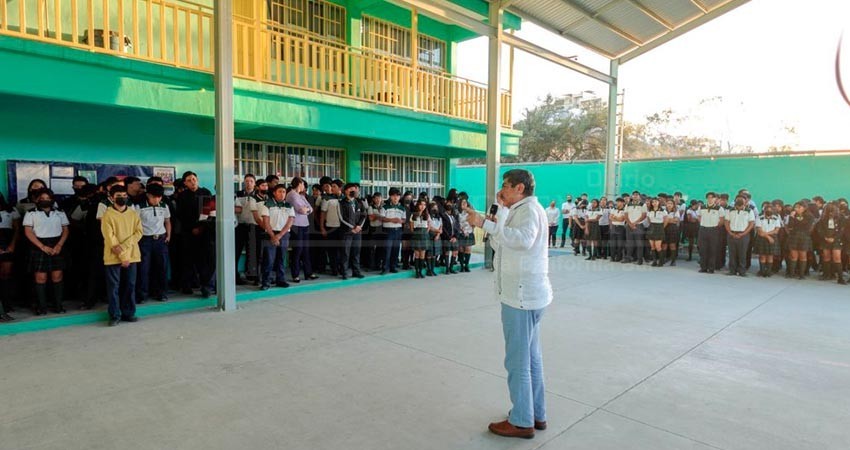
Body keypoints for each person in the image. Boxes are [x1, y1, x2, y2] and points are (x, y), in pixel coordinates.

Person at [463, 169, 552, 440]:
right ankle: (536, 413)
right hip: (527, 295)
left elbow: (521, 241)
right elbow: (501, 238)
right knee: (531, 359)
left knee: (517, 361)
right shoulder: (517, 209)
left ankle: (522, 421)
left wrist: (484, 223)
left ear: (520, 189)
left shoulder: (528, 211)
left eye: (506, 186)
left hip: (521, 297)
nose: (501, 190)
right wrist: (492, 217)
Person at [100, 185, 143, 326]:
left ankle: (128, 313)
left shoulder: (133, 213)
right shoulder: (107, 215)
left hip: (132, 256)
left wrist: (124, 248)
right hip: (113, 257)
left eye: (124, 195)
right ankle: (114, 315)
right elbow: (110, 238)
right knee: (114, 287)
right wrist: (123, 256)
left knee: (130, 285)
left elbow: (139, 232)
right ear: (111, 197)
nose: (122, 198)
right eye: (118, 195)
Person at [23, 188, 70, 315]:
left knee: (57, 276)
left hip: (57, 244)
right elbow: (28, 231)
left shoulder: (60, 212)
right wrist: (42, 246)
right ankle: (41, 307)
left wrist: (59, 245)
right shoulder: (31, 213)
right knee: (40, 277)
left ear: (52, 199)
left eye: (47, 198)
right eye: (42, 199)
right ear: (36, 199)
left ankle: (58, 305)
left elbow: (65, 230)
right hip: (38, 245)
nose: (45, 201)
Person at [176, 171, 214, 297]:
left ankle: (205, 287)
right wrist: (192, 227)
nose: (192, 182)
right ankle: (187, 285)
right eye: (189, 180)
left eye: (193, 179)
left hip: (204, 232)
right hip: (188, 232)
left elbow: (208, 211)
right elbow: (181, 215)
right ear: (185, 183)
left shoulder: (206, 193)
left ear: (197, 179)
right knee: (187, 259)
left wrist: (200, 227)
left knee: (205, 261)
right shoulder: (182, 196)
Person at [135, 183, 171, 303]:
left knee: (162, 267)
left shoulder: (164, 206)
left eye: (159, 197)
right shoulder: (139, 206)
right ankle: (142, 295)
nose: (157, 199)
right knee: (144, 269)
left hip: (161, 240)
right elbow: (135, 224)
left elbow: (167, 221)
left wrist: (168, 235)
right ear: (148, 195)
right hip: (145, 240)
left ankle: (162, 293)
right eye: (154, 197)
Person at [258, 184, 294, 290]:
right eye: (279, 191)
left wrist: (279, 236)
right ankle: (266, 282)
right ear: (274, 193)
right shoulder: (267, 204)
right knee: (268, 259)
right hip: (269, 234)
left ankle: (281, 280)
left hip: (283, 234)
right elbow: (266, 222)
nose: (282, 194)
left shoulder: (289, 206)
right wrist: (273, 236)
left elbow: (290, 222)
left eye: (284, 192)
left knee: (281, 259)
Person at [286, 177, 317, 282]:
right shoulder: (291, 194)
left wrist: (306, 209)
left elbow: (310, 209)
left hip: (305, 225)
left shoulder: (301, 195)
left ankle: (308, 273)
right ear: (299, 184)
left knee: (306, 250)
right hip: (296, 225)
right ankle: (295, 274)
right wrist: (306, 210)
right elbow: (301, 210)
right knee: (297, 250)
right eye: (303, 184)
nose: (304, 186)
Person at [339, 183, 366, 280]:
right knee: (345, 253)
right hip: (347, 232)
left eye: (355, 189)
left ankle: (356, 272)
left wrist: (359, 226)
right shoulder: (341, 203)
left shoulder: (359, 202)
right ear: (346, 191)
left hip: (358, 232)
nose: (353, 191)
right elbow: (342, 218)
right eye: (351, 189)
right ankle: (344, 273)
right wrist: (352, 228)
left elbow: (364, 215)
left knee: (356, 252)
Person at [0, 194, 21, 321]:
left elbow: (17, 229)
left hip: (7, 243)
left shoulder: (11, 210)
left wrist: (12, 245)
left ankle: (7, 304)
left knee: (5, 275)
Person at [235, 174, 257, 285]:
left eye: (251, 181)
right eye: (247, 181)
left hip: (253, 226)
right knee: (236, 251)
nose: (248, 183)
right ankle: (235, 275)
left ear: (254, 183)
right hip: (240, 225)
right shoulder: (238, 194)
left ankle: (251, 275)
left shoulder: (258, 195)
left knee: (251, 251)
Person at [725, 195, 756, 277]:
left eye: (741, 202)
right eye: (738, 202)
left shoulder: (749, 211)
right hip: (732, 233)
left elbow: (751, 224)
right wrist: (730, 232)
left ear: (745, 202)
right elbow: (726, 222)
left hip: (744, 234)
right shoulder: (730, 210)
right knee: (732, 253)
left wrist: (743, 233)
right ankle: (732, 270)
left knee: (742, 253)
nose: (739, 206)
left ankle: (742, 271)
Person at [816, 203, 844, 284]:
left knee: (837, 258)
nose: (831, 212)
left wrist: (834, 238)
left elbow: (841, 231)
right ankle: (826, 275)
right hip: (825, 239)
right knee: (826, 257)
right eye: (829, 210)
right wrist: (825, 237)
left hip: (836, 240)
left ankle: (840, 278)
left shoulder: (841, 218)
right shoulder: (823, 219)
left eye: (832, 210)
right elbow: (819, 229)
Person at [786, 201, 815, 280]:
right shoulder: (792, 216)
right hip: (793, 237)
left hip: (804, 237)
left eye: (799, 207)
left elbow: (806, 227)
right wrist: (791, 217)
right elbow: (790, 227)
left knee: (803, 255)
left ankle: (801, 274)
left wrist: (796, 223)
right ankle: (791, 273)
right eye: (795, 207)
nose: (796, 209)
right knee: (793, 255)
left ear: (804, 208)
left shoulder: (810, 216)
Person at [698, 192, 724, 274]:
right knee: (703, 249)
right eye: (708, 197)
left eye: (712, 197)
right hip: (703, 230)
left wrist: (715, 226)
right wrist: (703, 223)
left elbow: (722, 220)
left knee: (712, 249)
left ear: (715, 199)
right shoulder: (701, 207)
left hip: (714, 230)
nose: (710, 199)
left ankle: (711, 268)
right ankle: (703, 267)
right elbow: (699, 216)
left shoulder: (719, 208)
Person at [381, 188, 406, 275]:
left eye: (398, 196)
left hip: (398, 231)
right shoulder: (385, 207)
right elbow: (382, 218)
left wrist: (400, 221)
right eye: (393, 196)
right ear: (390, 196)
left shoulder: (402, 208)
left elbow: (404, 219)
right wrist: (392, 220)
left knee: (396, 250)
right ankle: (385, 268)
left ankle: (393, 267)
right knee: (387, 250)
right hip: (388, 231)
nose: (396, 198)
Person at [755, 203, 782, 278]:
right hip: (762, 238)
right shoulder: (759, 218)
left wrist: (767, 234)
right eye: (767, 210)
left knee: (770, 256)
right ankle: (762, 271)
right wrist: (768, 237)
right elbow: (759, 230)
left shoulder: (776, 218)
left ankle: (768, 272)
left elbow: (776, 230)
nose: (769, 211)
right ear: (764, 210)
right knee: (762, 256)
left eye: (770, 210)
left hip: (772, 237)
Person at [624, 191, 647, 265]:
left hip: (639, 226)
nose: (635, 196)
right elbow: (626, 215)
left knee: (639, 243)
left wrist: (635, 223)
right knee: (629, 243)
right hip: (629, 225)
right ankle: (628, 258)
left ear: (639, 197)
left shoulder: (643, 205)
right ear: (631, 196)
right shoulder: (628, 205)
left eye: (637, 195)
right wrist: (630, 224)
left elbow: (644, 215)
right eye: (634, 195)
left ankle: (639, 259)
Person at [409, 199, 429, 279]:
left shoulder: (427, 215)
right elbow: (411, 228)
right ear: (418, 205)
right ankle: (417, 272)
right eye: (421, 204)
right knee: (417, 254)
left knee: (422, 255)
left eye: (424, 205)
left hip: (424, 235)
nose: (422, 206)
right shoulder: (413, 215)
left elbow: (428, 226)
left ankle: (421, 271)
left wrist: (425, 232)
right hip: (416, 235)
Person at [366, 192, 385, 271]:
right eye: (376, 198)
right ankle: (371, 265)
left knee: (380, 248)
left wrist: (375, 216)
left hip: (381, 229)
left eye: (379, 198)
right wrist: (379, 216)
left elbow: (384, 218)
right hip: (373, 229)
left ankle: (378, 265)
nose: (377, 200)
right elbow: (371, 219)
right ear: (373, 199)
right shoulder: (371, 207)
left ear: (381, 199)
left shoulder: (383, 207)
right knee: (371, 248)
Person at [456, 194, 475, 273]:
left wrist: (471, 230)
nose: (464, 204)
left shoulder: (470, 211)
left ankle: (466, 265)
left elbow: (474, 222)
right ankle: (461, 265)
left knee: (468, 249)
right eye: (462, 203)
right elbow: (456, 223)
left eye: (465, 203)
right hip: (461, 232)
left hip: (469, 232)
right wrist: (462, 230)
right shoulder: (457, 212)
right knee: (461, 249)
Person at [441, 199, 461, 274]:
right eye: (448, 204)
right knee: (447, 252)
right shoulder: (442, 215)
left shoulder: (454, 216)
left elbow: (458, 226)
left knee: (455, 252)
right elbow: (443, 227)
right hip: (447, 238)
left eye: (450, 204)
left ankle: (451, 268)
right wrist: (449, 237)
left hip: (454, 237)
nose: (449, 205)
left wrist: (455, 237)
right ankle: (447, 269)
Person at [646, 198, 665, 267]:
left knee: (658, 247)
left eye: (656, 201)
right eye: (653, 202)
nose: (654, 203)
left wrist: (661, 227)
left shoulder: (663, 211)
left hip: (659, 228)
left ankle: (661, 261)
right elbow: (648, 220)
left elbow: (666, 219)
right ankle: (654, 261)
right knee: (652, 246)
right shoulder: (649, 211)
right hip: (651, 227)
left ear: (658, 202)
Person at [426, 201, 443, 277]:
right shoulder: (428, 216)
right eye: (433, 207)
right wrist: (438, 231)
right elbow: (429, 227)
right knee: (429, 253)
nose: (435, 209)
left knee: (434, 254)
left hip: (437, 236)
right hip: (430, 235)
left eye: (436, 207)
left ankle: (432, 270)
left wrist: (438, 234)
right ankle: (429, 270)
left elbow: (441, 226)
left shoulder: (439, 217)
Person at [663, 199, 681, 266]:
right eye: (668, 203)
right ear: (666, 204)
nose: (669, 205)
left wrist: (667, 220)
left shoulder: (676, 211)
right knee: (664, 245)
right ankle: (664, 259)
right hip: (665, 228)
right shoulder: (663, 211)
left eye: (671, 203)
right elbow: (662, 220)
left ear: (673, 205)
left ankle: (673, 261)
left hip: (673, 229)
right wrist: (670, 220)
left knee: (672, 245)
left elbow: (676, 220)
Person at [609, 198, 627, 262]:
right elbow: (610, 217)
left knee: (620, 244)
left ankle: (619, 257)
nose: (617, 203)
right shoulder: (613, 209)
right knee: (613, 243)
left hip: (621, 227)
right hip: (613, 227)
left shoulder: (625, 210)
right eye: (617, 202)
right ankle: (612, 257)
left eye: (619, 202)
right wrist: (616, 218)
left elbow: (622, 219)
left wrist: (615, 217)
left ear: (623, 203)